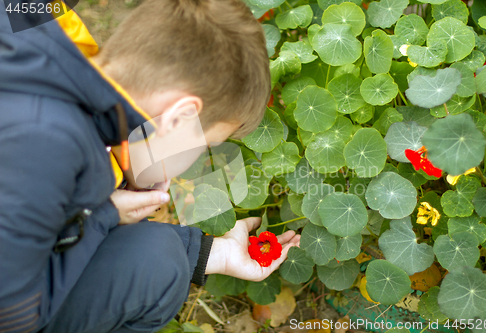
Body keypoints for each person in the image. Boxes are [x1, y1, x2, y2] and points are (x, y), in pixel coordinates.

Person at [0, 1, 301, 332]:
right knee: (159, 264)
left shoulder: (38, 27)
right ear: (180, 116)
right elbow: (14, 318)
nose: (196, 160)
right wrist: (103, 216)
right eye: (205, 145)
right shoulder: (48, 144)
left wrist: (209, 253)